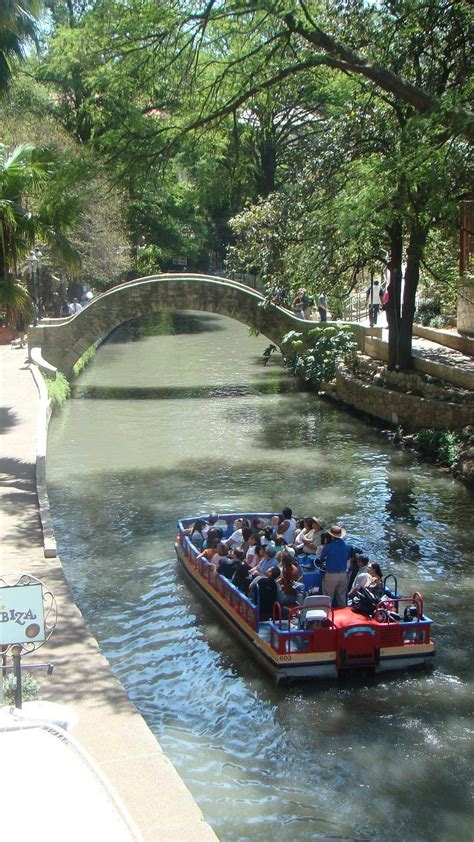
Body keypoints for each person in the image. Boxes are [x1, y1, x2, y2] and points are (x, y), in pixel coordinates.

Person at [319, 524, 350, 607]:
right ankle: (343, 616)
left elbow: (321, 557)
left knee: (328, 597)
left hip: (331, 575)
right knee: (342, 597)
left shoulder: (328, 546)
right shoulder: (346, 546)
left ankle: (327, 616)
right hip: (343, 575)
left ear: (331, 536)